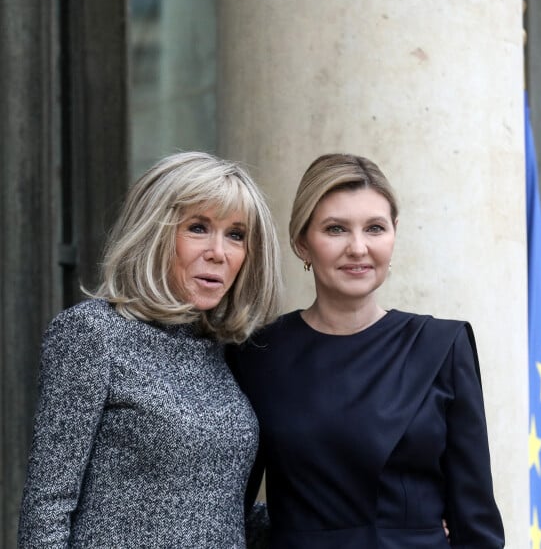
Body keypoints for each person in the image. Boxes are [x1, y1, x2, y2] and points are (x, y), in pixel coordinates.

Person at [229, 153, 505, 548]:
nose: (358, 248)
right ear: (302, 243)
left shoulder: (441, 346)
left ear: (394, 234)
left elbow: (476, 521)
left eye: (375, 228)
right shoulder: (257, 353)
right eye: (336, 229)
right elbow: (226, 506)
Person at [18, 151, 283, 548]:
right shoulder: (92, 333)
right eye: (197, 227)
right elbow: (47, 507)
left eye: (235, 234)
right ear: (153, 232)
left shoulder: (225, 350)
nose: (219, 252)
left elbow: (224, 511)